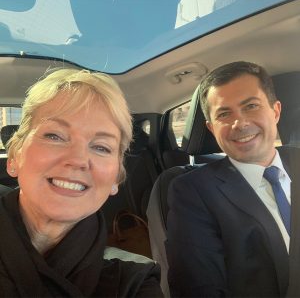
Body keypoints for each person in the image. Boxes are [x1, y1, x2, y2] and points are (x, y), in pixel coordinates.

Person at [0, 68, 163, 297]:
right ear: (15, 155)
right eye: (54, 136)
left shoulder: (134, 281)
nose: (77, 160)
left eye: (101, 147)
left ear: (116, 177)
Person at [166, 61, 293, 297]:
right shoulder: (193, 192)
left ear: (275, 111)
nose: (240, 123)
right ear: (212, 128)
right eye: (224, 113)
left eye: (251, 106)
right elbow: (198, 288)